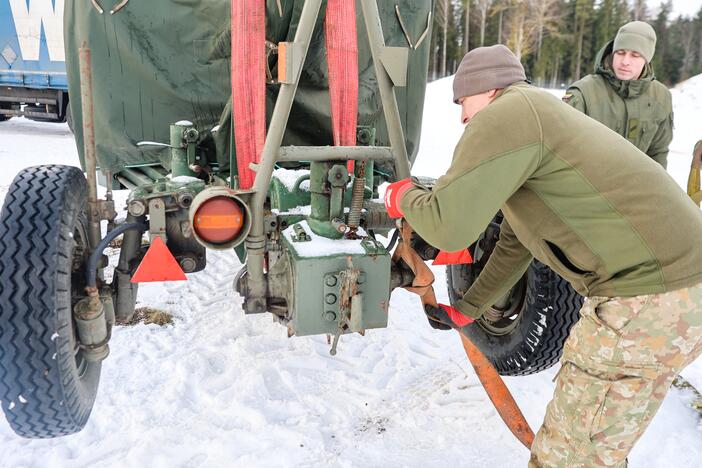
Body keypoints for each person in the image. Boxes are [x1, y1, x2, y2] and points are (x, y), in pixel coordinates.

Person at [384, 44, 702, 467]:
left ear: (487, 88)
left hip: (644, 301)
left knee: (566, 458)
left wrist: (401, 195)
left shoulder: (510, 112)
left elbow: (448, 227)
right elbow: (515, 244)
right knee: (597, 450)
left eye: (462, 102)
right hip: (681, 297)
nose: (462, 117)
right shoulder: (537, 121)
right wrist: (469, 309)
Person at [563, 21, 673, 169]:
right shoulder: (584, 92)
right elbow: (562, 150)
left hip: (637, 187)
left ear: (646, 61)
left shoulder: (660, 96)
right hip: (589, 186)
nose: (625, 62)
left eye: (635, 55)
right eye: (620, 53)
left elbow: (658, 154)